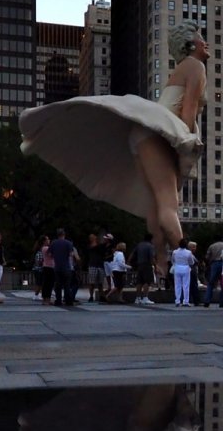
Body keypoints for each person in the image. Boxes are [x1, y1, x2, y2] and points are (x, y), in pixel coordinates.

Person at [18, 25, 207, 263]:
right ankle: (184, 264)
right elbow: (188, 110)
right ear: (190, 45)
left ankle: (160, 265)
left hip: (143, 134)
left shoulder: (182, 68)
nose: (205, 44)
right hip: (157, 131)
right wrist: (187, 145)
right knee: (169, 202)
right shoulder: (195, 65)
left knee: (155, 204)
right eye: (201, 40)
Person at [49, 229, 78, 306]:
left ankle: (58, 300)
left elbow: (50, 255)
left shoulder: (53, 243)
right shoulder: (68, 243)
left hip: (57, 267)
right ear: (64, 234)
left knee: (58, 285)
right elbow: (71, 254)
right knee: (67, 285)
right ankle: (68, 301)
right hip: (66, 267)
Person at [170, 239, 196, 306]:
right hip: (186, 268)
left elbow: (172, 260)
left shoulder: (175, 252)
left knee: (177, 285)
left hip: (177, 268)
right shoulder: (188, 252)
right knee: (186, 285)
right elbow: (191, 262)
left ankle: (177, 301)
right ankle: (186, 301)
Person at [132, 237, 156, 305]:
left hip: (139, 265)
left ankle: (137, 298)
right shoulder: (150, 246)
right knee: (147, 282)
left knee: (139, 282)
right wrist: (155, 265)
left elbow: (133, 254)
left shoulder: (139, 245)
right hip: (147, 265)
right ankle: (145, 298)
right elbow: (152, 256)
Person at [204, 238, 223, 308]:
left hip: (214, 264)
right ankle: (222, 302)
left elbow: (207, 257)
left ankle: (207, 301)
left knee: (211, 283)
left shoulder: (212, 246)